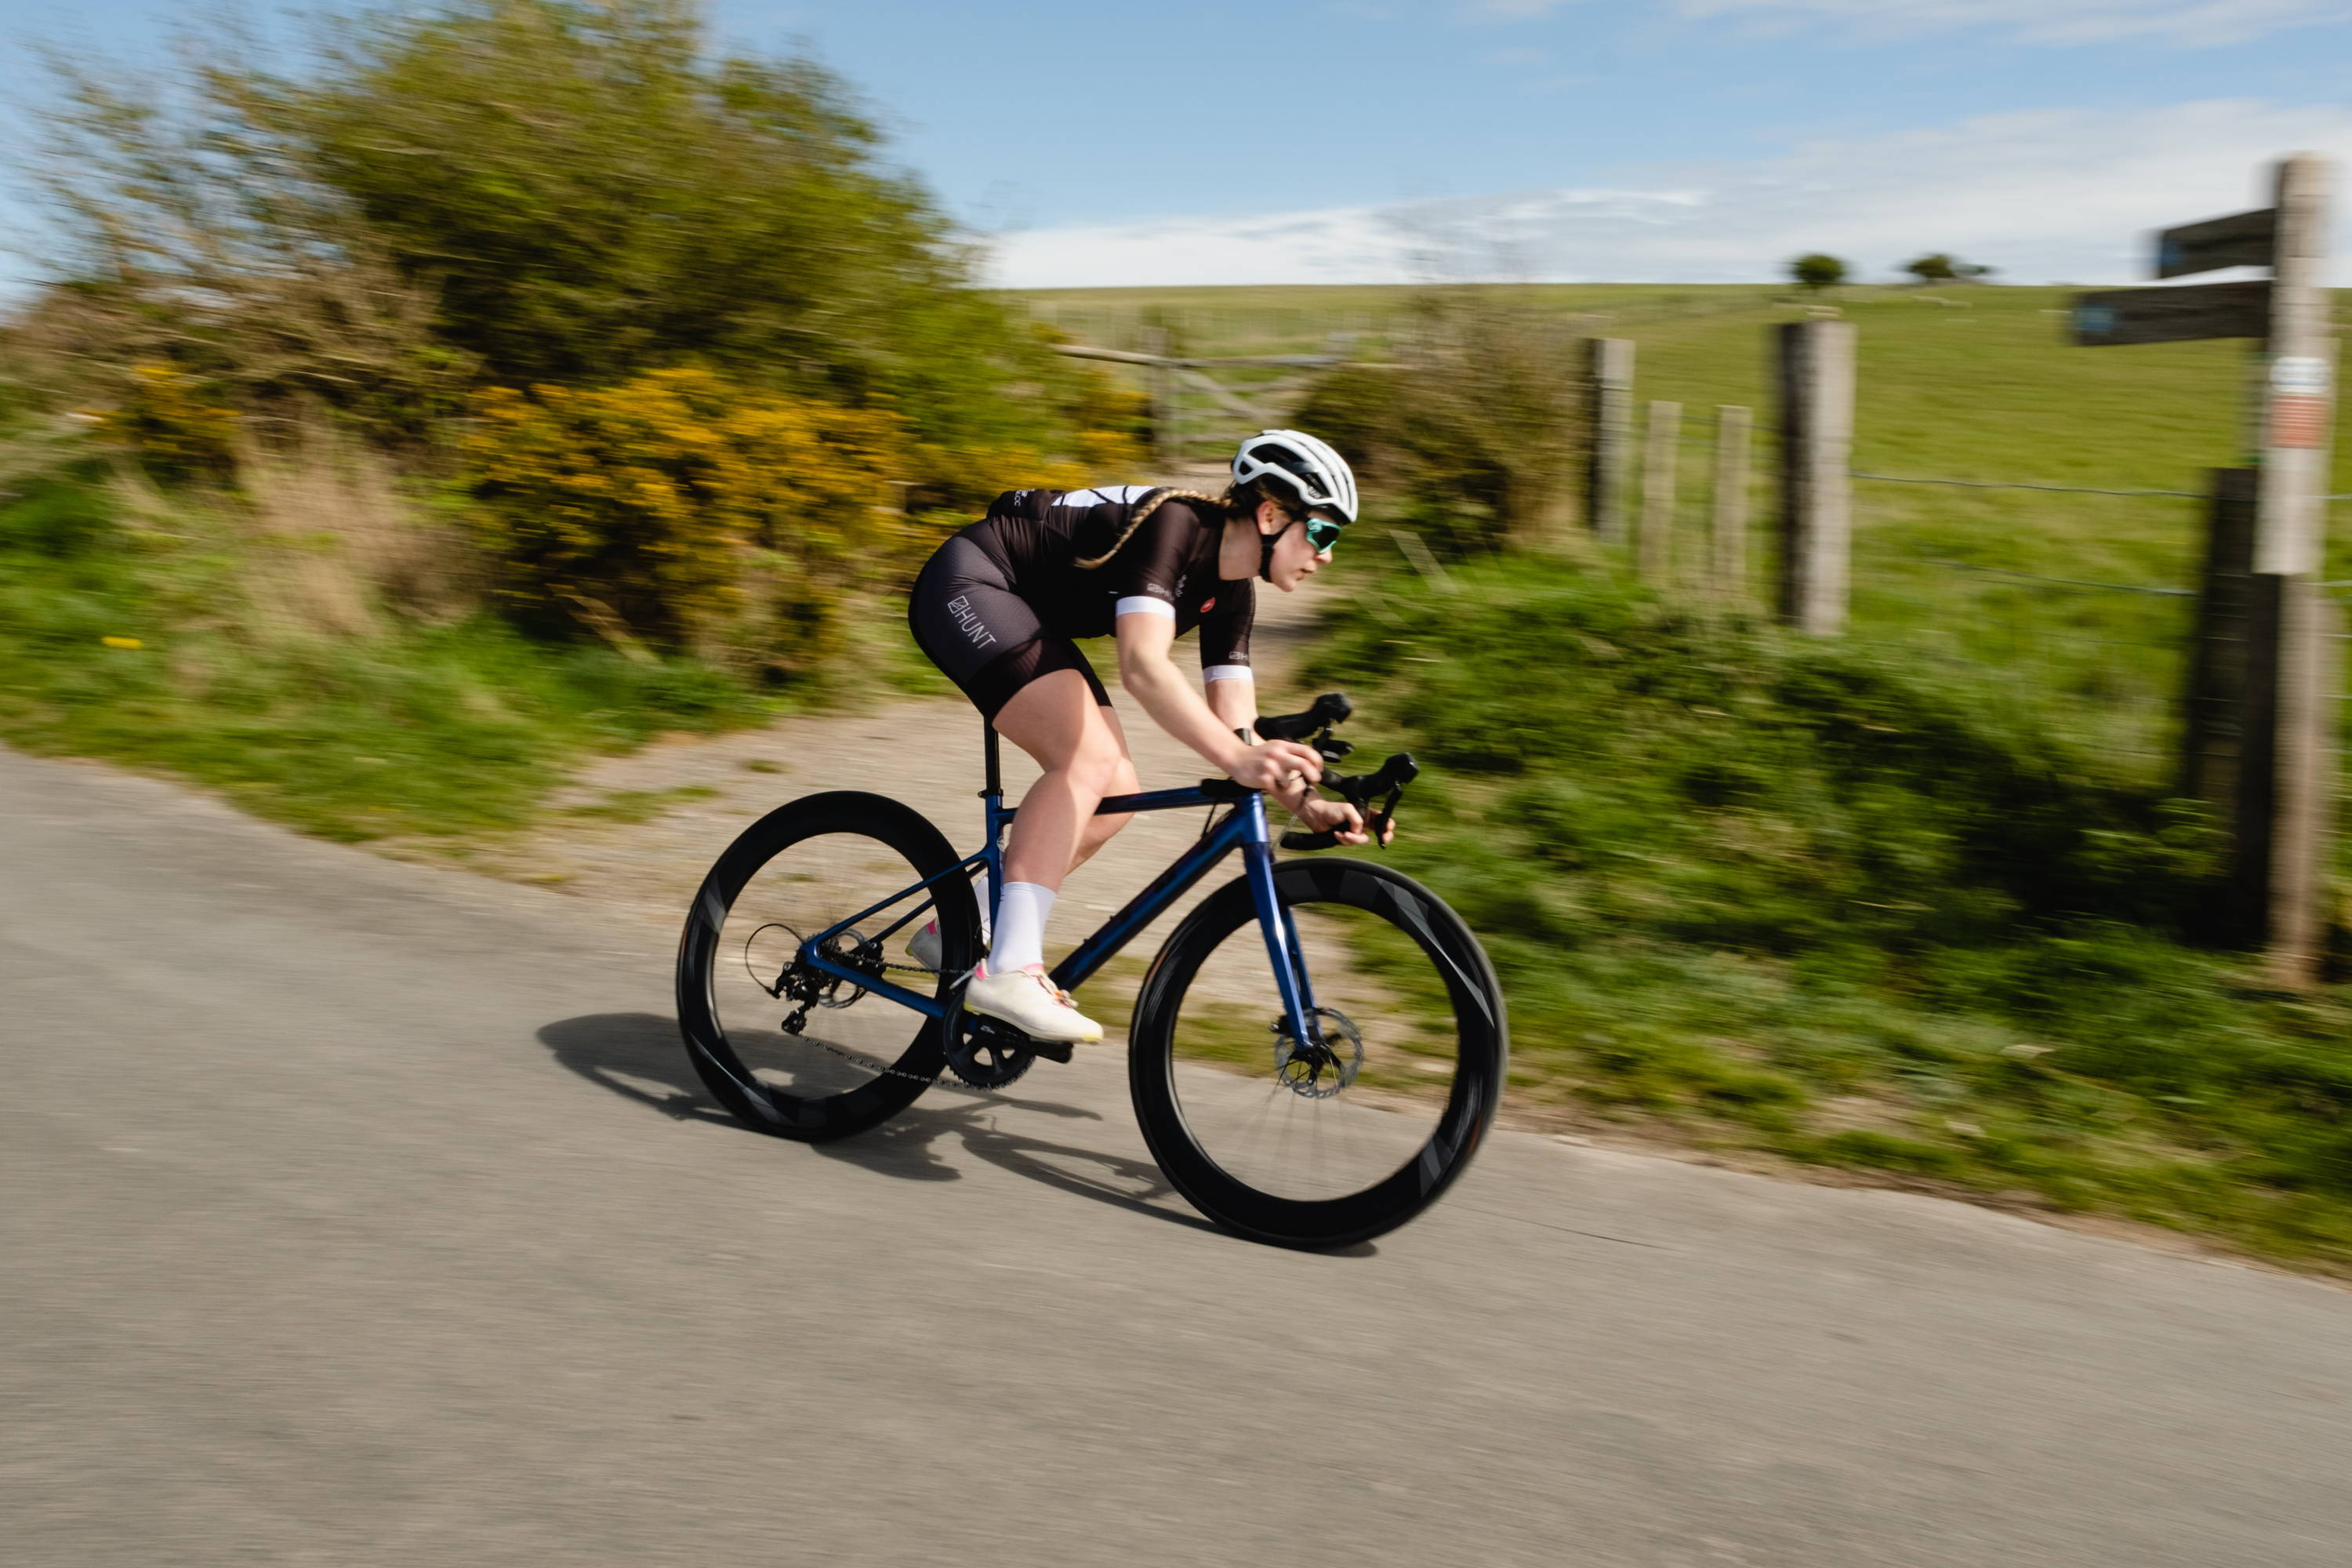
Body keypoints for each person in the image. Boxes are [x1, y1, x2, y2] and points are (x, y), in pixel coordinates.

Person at [905, 428, 1385, 1045]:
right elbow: (1143, 666)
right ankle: (1008, 970)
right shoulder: (1178, 525)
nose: (1327, 554)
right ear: (1270, 514)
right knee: (1087, 756)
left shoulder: (1232, 591)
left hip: (1029, 612)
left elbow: (1238, 723)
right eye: (1321, 532)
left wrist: (1307, 802)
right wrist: (1237, 757)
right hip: (973, 585)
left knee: (1117, 790)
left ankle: (962, 924)